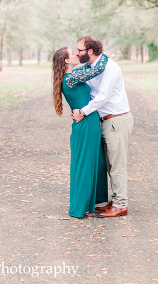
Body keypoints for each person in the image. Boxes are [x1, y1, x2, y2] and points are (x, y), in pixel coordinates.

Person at [71, 35, 133, 218]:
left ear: (90, 51)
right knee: (108, 165)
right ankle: (114, 200)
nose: (76, 53)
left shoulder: (110, 67)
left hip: (117, 120)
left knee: (117, 165)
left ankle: (121, 204)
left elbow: (103, 96)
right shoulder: (91, 68)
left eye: (79, 50)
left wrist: (83, 112)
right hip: (105, 121)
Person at [51, 47, 110, 219]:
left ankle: (93, 203)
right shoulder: (70, 79)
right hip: (85, 123)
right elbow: (97, 69)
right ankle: (81, 207)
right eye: (73, 53)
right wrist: (104, 56)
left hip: (87, 121)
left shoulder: (72, 75)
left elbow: (87, 67)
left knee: (95, 162)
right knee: (85, 164)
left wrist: (91, 57)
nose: (77, 54)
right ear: (67, 61)